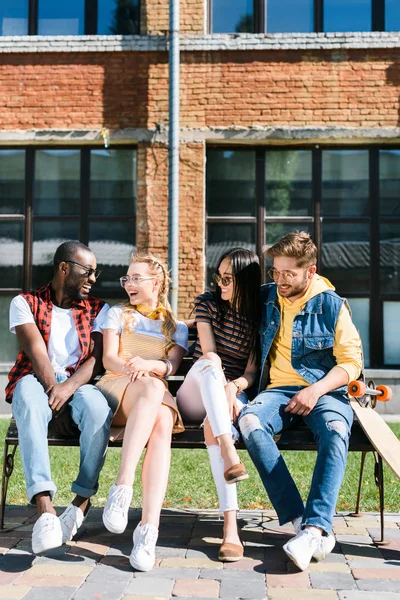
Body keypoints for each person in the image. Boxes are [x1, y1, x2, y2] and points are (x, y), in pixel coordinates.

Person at [238, 231, 362, 571]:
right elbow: (221, 301)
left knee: (337, 430)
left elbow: (351, 363)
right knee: (249, 421)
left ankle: (317, 526)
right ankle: (300, 522)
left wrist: (315, 390)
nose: (279, 280)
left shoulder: (332, 305)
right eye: (274, 272)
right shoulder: (266, 298)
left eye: (288, 274)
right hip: (276, 392)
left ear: (310, 271)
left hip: (324, 391)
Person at [6, 240, 112, 554]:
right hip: (38, 379)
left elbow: (95, 360)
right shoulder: (25, 302)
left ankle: (81, 501)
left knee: (98, 408)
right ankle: (45, 509)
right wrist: (56, 387)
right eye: (88, 271)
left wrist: (68, 389)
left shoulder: (98, 308)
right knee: (26, 393)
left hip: (78, 383)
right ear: (64, 268)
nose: (93, 278)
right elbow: (37, 354)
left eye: (96, 272)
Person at [96, 252, 188, 572]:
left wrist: (151, 366)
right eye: (127, 278)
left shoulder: (174, 325)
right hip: (118, 388)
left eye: (136, 278)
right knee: (151, 389)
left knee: (163, 418)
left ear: (156, 282)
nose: (129, 284)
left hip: (153, 392)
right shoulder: (117, 314)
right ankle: (123, 485)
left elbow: (171, 366)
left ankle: (148, 531)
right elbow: (109, 359)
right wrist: (133, 368)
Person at [176, 248, 261, 562]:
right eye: (219, 276)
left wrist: (235, 387)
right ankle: (229, 448)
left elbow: (251, 372)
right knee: (211, 360)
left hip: (229, 395)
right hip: (194, 393)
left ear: (244, 281)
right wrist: (224, 384)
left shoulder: (259, 315)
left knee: (215, 424)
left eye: (228, 278)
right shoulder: (206, 303)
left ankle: (230, 532)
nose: (221, 283)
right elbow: (208, 352)